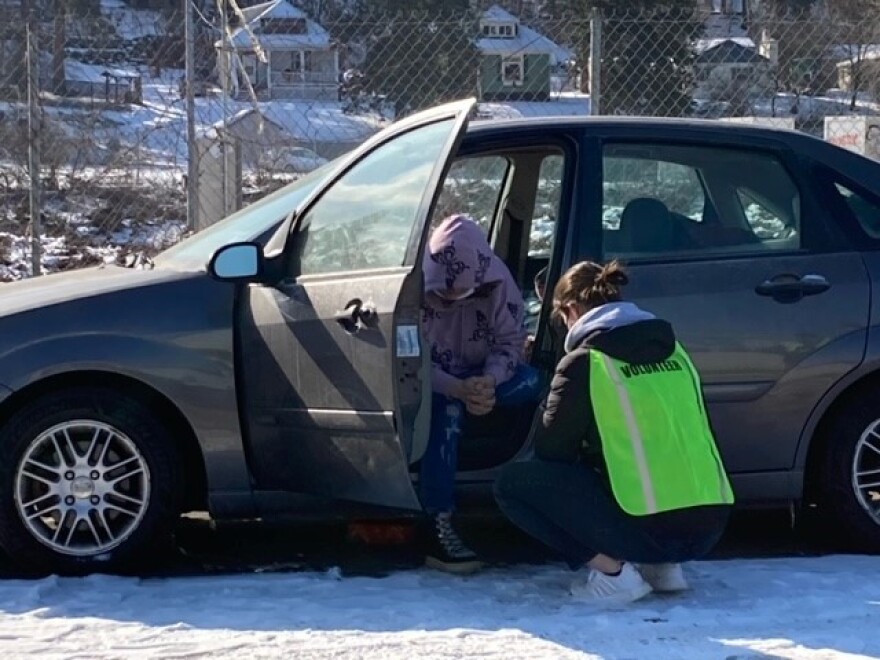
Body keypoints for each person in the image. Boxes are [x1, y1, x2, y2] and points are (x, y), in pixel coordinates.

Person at [494, 260, 734, 605]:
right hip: (709, 525)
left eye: (562, 319)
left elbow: (552, 452)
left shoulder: (585, 362)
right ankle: (662, 569)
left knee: (514, 485)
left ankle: (614, 574)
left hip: (649, 528)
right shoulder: (675, 351)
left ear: (572, 309)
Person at [421, 214, 544, 574]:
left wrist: (489, 381)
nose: (451, 298)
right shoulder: (415, 289)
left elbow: (510, 342)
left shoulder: (499, 282)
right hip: (440, 381)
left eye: (460, 291)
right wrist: (455, 388)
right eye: (444, 292)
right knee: (447, 415)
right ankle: (438, 520)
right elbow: (407, 359)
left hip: (488, 377)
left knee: (536, 382)